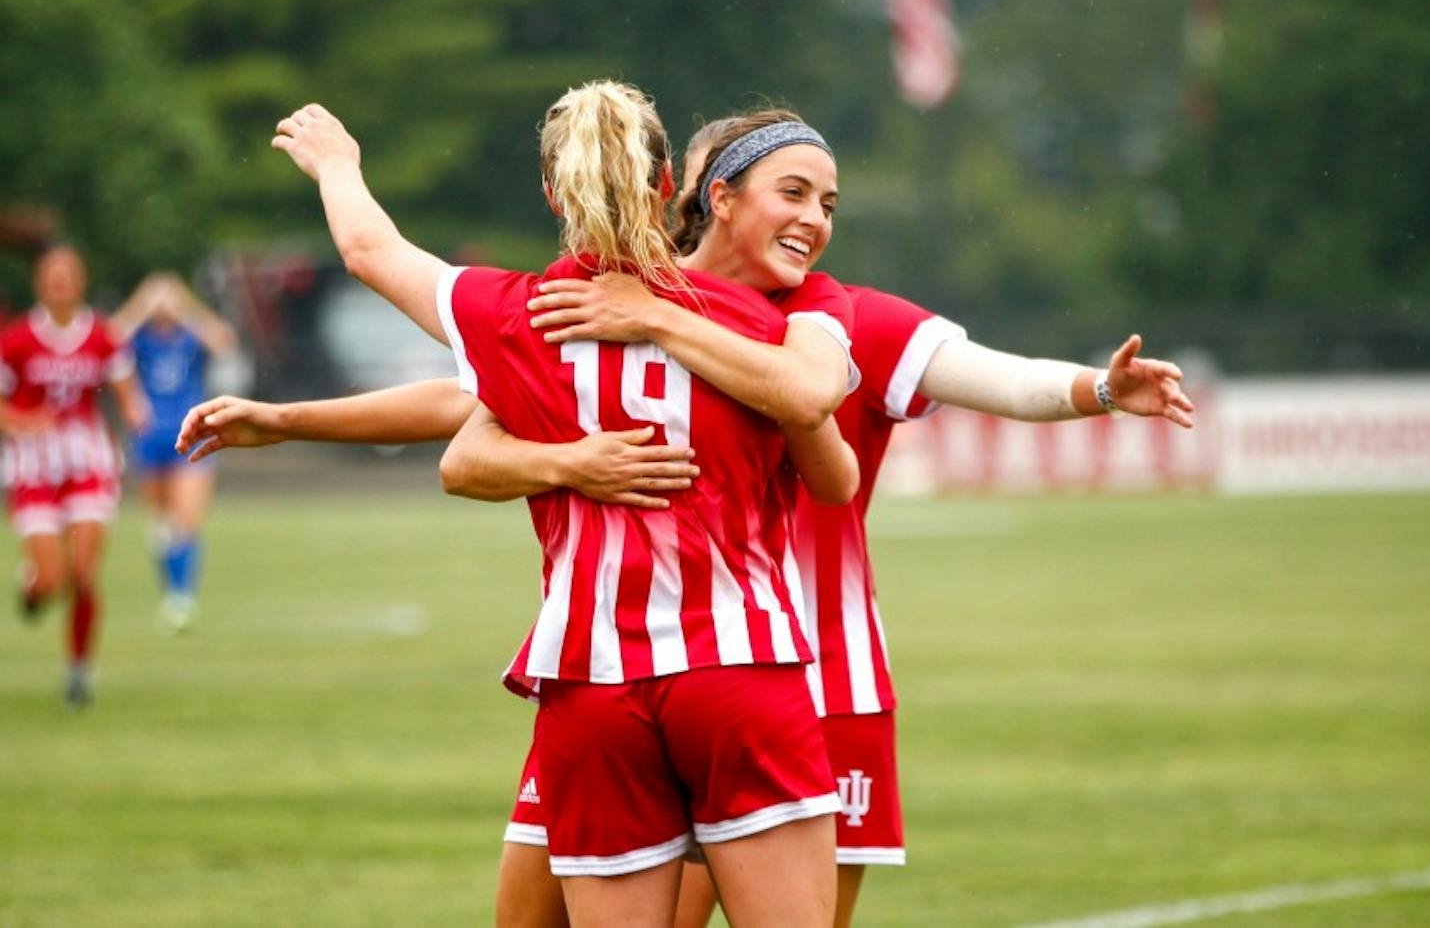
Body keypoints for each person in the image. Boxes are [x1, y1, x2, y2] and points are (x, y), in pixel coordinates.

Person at [500, 112, 1194, 928]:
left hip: (814, 682)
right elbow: (469, 415)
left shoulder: (842, 320)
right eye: (792, 192)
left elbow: (1005, 381)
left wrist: (1102, 389)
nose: (815, 220)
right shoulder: (609, 300)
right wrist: (314, 421)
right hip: (619, 674)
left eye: (828, 202)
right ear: (714, 195)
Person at [263, 83, 860, 928]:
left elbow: (369, 250)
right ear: (669, 187)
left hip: (589, 688)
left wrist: (338, 164)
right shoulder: (764, 315)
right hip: (737, 669)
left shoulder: (519, 315)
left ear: (552, 193)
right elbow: (816, 422)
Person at [1, 245, 150, 706]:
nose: (60, 284)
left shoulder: (104, 337)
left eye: (68, 276)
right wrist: (23, 422)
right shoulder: (17, 339)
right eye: (52, 276)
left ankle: (79, 671)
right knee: (52, 581)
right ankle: (33, 587)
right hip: (33, 468)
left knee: (84, 574)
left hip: (88, 464)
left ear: (80, 281)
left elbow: (128, 394)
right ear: (40, 284)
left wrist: (136, 413)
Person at [113, 271, 237, 632]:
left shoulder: (189, 336)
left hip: (191, 434)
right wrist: (140, 305)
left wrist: (185, 308)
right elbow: (107, 341)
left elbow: (224, 341)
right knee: (162, 525)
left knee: (187, 519)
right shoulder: (140, 340)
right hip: (150, 438)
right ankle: (173, 594)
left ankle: (183, 596)